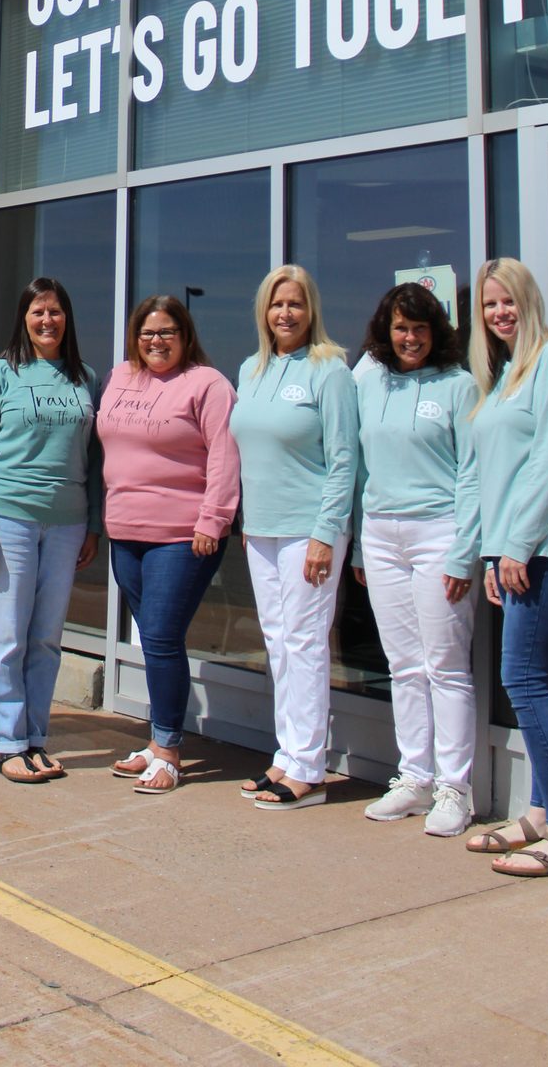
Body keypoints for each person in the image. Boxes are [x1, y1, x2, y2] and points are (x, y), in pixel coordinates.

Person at [464, 259, 548, 876]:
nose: (499, 313)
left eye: (508, 301)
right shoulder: (506, 372)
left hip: (545, 547)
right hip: (516, 549)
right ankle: (542, 813)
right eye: (490, 305)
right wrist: (493, 551)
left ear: (529, 300)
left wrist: (515, 546)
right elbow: (498, 477)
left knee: (521, 679)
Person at [0, 276, 101, 785]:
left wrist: (94, 525)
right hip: (9, 520)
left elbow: (95, 459)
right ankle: (7, 741)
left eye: (56, 312)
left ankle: (35, 737)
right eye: (38, 312)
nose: (48, 321)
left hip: (67, 524)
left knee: (45, 638)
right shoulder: (2, 374)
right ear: (24, 318)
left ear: (68, 319)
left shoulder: (84, 377)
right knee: (6, 636)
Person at [351, 282, 480, 836]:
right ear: (386, 331)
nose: (410, 338)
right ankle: (414, 778)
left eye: (420, 328)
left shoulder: (460, 386)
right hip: (381, 534)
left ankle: (456, 788)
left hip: (439, 534)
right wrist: (357, 541)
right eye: (401, 328)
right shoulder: (367, 379)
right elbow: (354, 463)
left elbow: (473, 473)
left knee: (445, 665)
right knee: (402, 664)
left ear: (437, 332)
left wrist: (464, 551)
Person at [97, 295, 239, 793]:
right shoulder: (120, 377)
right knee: (156, 639)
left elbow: (224, 456)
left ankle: (170, 749)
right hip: (125, 531)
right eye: (147, 332)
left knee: (158, 635)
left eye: (167, 333)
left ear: (186, 335)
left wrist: (213, 519)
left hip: (183, 535)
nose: (156, 342)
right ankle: (157, 742)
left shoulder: (208, 384)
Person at [229, 265, 357, 809]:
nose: (286, 314)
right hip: (261, 531)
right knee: (278, 643)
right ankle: (287, 754)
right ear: (264, 311)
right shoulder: (251, 369)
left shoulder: (330, 370)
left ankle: (310, 769)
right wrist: (245, 524)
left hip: (309, 530)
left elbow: (344, 458)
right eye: (277, 304)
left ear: (312, 312)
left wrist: (328, 533)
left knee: (305, 644)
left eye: (296, 305)